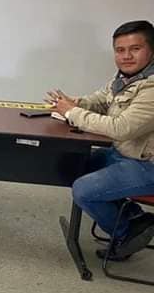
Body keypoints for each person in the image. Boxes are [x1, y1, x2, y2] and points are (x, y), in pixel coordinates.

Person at [49, 20, 154, 261]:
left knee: (83, 190)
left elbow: (120, 128)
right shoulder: (127, 78)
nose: (126, 56)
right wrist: (75, 102)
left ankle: (126, 233)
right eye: (120, 50)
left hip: (147, 165)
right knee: (69, 165)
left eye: (135, 49)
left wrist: (71, 112)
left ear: (151, 50)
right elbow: (100, 100)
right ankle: (135, 217)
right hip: (123, 154)